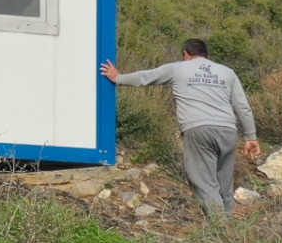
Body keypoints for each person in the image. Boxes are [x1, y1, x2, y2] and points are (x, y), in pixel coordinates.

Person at [101, 38, 261, 222]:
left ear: (186, 54)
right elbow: (243, 107)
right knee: (224, 183)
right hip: (228, 130)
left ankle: (220, 229)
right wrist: (251, 137)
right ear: (206, 55)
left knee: (204, 181)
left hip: (198, 129)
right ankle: (230, 225)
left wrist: (117, 77)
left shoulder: (177, 68)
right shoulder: (227, 73)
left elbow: (145, 77)